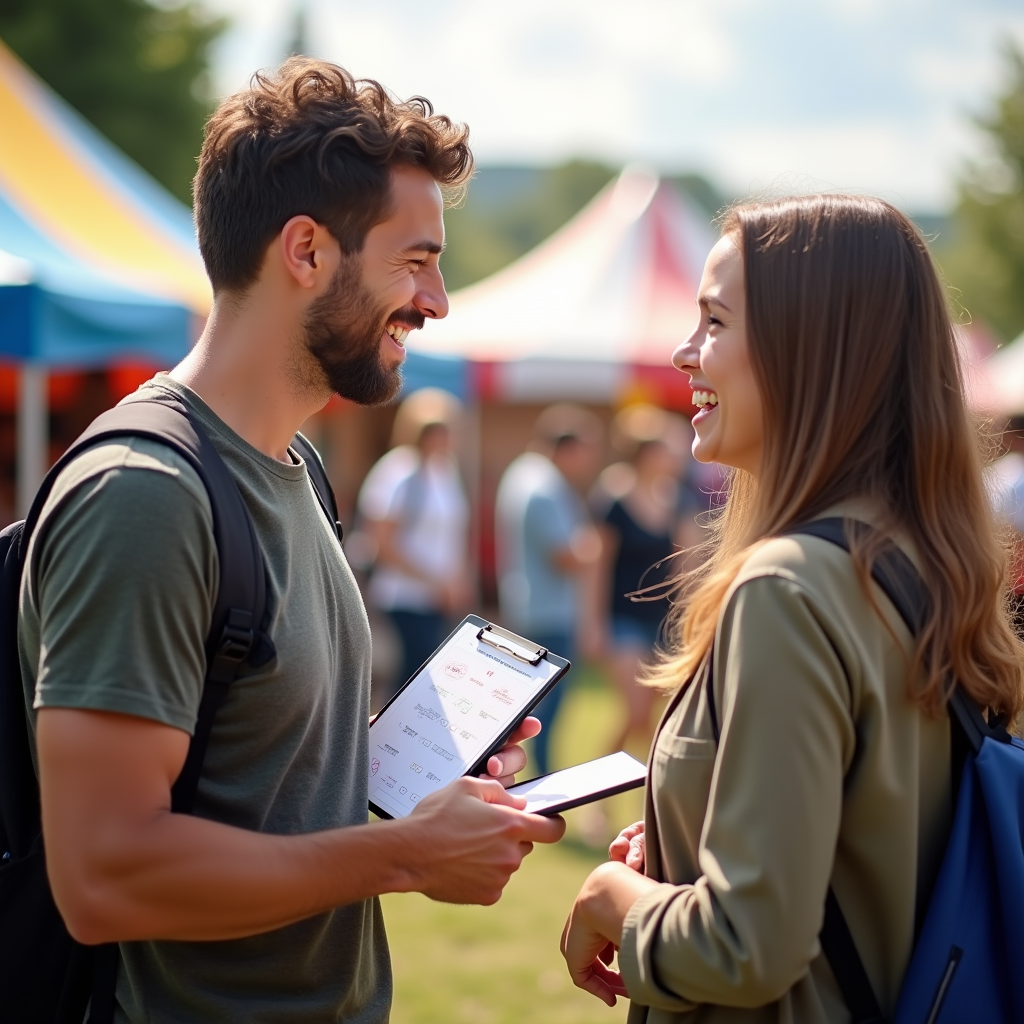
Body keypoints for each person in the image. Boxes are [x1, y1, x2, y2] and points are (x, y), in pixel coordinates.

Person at [22, 58, 564, 1023]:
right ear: (306, 251)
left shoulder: (298, 467)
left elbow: (250, 760)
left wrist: (411, 771)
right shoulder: (145, 495)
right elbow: (104, 877)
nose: (437, 301)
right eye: (416, 260)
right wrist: (405, 855)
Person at [559, 194, 1024, 1022]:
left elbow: (748, 946)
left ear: (810, 351)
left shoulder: (787, 589)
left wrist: (609, 896)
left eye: (715, 321)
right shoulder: (916, 563)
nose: (684, 351)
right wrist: (688, 845)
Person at [495, 404, 603, 776]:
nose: (589, 461)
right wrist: (594, 546)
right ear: (567, 448)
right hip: (549, 612)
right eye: (586, 451)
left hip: (530, 606)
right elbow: (566, 556)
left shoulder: (522, 474)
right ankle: (541, 781)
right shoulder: (545, 487)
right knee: (545, 714)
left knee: (532, 708)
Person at [587, 404, 696, 756]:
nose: (675, 457)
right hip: (622, 619)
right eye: (666, 449)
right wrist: (594, 625)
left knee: (649, 717)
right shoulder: (614, 501)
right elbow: (598, 567)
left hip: (662, 620)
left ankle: (633, 783)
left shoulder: (676, 500)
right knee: (636, 711)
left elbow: (682, 564)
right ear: (646, 454)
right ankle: (602, 781)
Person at [358, 387, 471, 702]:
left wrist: (455, 582)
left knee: (428, 685)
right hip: (404, 597)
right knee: (411, 685)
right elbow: (382, 542)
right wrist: (435, 581)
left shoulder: (445, 470)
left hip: (436, 598)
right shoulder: (398, 471)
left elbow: (452, 534)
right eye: (433, 429)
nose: (441, 437)